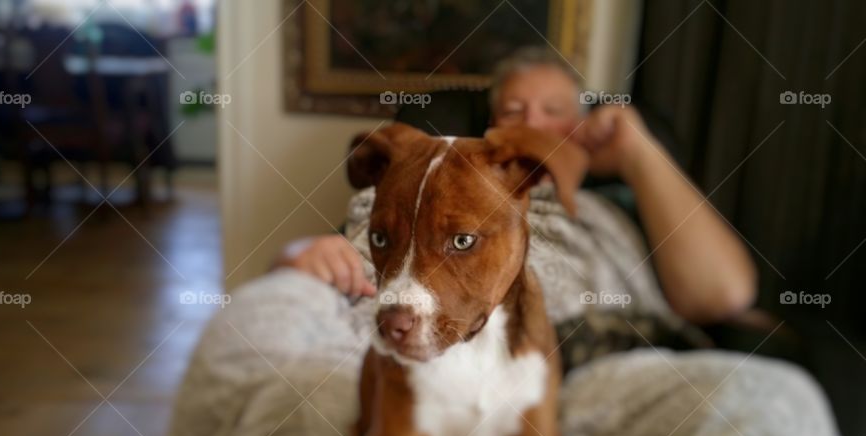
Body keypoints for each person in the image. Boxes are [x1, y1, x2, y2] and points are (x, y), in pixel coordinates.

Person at [272, 47, 757, 325]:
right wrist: (298, 255)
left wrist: (638, 152)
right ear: (491, 129)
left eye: (553, 111)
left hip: (550, 355)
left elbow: (722, 295)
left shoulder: (616, 204)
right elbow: (349, 239)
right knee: (268, 314)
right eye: (513, 111)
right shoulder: (421, 178)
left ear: (583, 127)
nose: (533, 123)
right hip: (364, 324)